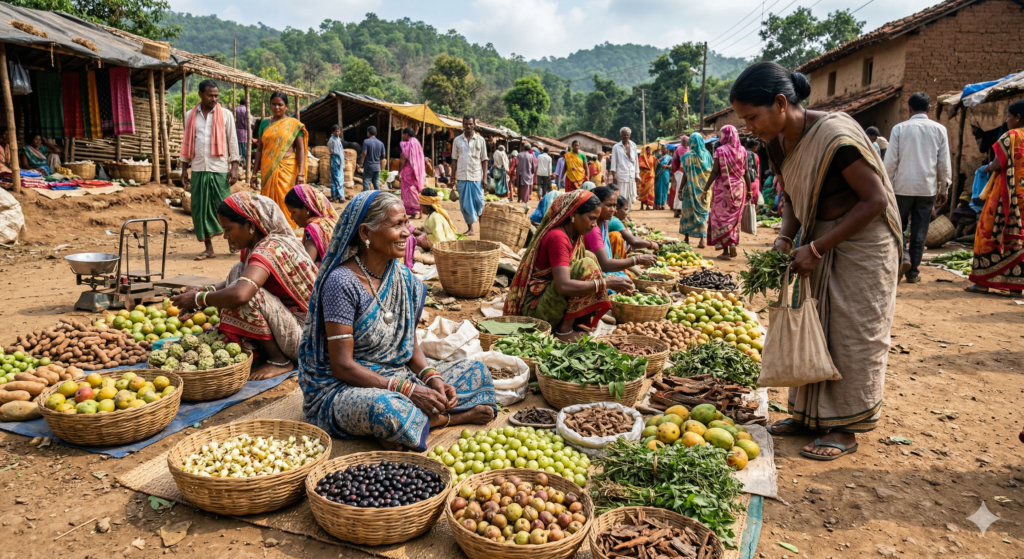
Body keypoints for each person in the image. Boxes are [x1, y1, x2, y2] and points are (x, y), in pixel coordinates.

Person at [731, 61, 902, 460]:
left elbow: (874, 200)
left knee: (851, 332)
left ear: (779, 103)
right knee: (812, 323)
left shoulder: (834, 136)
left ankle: (845, 426)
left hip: (862, 240)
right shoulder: (776, 143)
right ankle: (808, 416)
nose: (749, 128)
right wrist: (786, 237)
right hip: (816, 234)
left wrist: (819, 247)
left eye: (752, 117)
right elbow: (792, 197)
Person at [298, 191, 497, 451]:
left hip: (397, 376)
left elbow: (409, 345)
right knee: (387, 409)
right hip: (347, 387)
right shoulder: (342, 282)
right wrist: (408, 390)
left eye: (406, 223)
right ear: (366, 234)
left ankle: (412, 426)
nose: (408, 232)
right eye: (397, 224)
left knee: (476, 371)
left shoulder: (405, 279)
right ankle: (451, 418)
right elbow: (342, 366)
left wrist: (432, 378)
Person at [171, 192, 318, 380]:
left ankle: (279, 360)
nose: (225, 236)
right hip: (294, 325)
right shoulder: (259, 247)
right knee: (238, 271)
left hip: (308, 342)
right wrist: (205, 291)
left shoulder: (269, 249)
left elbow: (241, 294)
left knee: (247, 295)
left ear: (249, 225)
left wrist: (200, 299)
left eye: (228, 229)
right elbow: (235, 282)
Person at [503, 190, 632, 341]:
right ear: (572, 214)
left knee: (589, 257)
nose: (593, 225)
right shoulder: (558, 237)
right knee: (586, 265)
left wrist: (606, 282)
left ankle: (572, 322)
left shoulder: (574, 235)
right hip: (536, 312)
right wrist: (605, 283)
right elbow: (563, 286)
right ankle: (564, 330)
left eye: (596, 220)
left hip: (549, 301)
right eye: (591, 219)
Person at [884, 92, 951, 284]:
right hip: (926, 189)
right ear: (929, 109)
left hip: (901, 188)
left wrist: (885, 186)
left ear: (909, 108)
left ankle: (902, 259)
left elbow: (890, 163)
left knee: (897, 227)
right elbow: (944, 163)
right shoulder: (940, 130)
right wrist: (944, 189)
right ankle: (912, 272)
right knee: (919, 231)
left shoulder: (899, 129)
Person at [966, 100, 1024, 294]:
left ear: (1018, 118)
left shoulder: (1012, 136)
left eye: (1008, 116)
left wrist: (988, 167)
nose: (1007, 121)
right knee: (1018, 239)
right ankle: (1016, 286)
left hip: (1004, 197)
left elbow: (999, 164)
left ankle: (982, 282)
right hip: (1022, 201)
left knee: (987, 234)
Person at [179, 80, 242, 261]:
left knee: (224, 208)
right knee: (200, 210)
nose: (214, 99)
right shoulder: (189, 115)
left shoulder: (226, 115)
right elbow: (186, 143)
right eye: (210, 95)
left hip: (219, 169)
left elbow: (232, 141)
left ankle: (232, 240)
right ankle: (209, 248)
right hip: (198, 168)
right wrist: (184, 169)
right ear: (200, 94)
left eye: (216, 96)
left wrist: (234, 167)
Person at [252, 92, 307, 229]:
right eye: (274, 104)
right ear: (270, 105)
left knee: (286, 200)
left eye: (280, 105)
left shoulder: (293, 125)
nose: (277, 107)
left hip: (287, 170)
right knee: (268, 202)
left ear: (286, 106)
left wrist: (300, 173)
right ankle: (272, 231)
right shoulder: (264, 123)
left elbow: (300, 150)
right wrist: (254, 174)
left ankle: (289, 231)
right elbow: (259, 150)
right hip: (268, 170)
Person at [584, 187, 658, 278]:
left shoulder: (604, 223)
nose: (613, 209)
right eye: (608, 205)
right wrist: (637, 259)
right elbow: (604, 264)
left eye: (614, 206)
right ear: (597, 205)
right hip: (595, 271)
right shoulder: (593, 229)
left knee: (626, 279)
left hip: (603, 268)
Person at [703, 125, 749, 260]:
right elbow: (746, 171)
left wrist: (705, 189)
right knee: (734, 218)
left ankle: (725, 251)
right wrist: (750, 190)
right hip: (739, 188)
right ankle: (733, 241)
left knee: (720, 219)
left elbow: (715, 171)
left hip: (722, 189)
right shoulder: (743, 151)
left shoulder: (720, 151)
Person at [451, 115, 488, 235]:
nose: (468, 126)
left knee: (480, 202)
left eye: (470, 124)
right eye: (466, 124)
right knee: (465, 204)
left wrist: (485, 177)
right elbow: (454, 159)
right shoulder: (457, 140)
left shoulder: (480, 140)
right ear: (463, 125)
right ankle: (470, 229)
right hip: (462, 176)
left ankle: (483, 228)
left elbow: (484, 159)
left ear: (474, 125)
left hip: (476, 176)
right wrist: (452, 175)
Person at [285, 184, 339, 265]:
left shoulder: (313, 228)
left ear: (306, 207)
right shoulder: (330, 222)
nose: (292, 218)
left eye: (293, 212)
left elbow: (307, 265)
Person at [678, 132, 713, 248]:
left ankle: (686, 238)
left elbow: (685, 174)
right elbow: (712, 171)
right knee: (702, 213)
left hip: (690, 189)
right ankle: (702, 239)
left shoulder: (688, 156)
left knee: (688, 213)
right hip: (704, 190)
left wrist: (680, 189)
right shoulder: (707, 155)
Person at [398, 127, 426, 219]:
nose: (402, 136)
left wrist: (399, 172)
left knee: (408, 192)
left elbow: (402, 160)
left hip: (408, 172)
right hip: (418, 172)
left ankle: (414, 211)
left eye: (403, 134)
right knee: (416, 191)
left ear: (406, 134)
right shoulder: (417, 143)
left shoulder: (406, 144)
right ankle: (420, 211)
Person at [609, 127, 640, 209]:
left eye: (627, 135)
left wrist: (637, 174)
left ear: (629, 135)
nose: (625, 136)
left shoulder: (633, 146)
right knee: (622, 196)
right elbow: (613, 163)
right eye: (624, 135)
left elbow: (636, 161)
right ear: (620, 135)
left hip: (631, 175)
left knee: (631, 197)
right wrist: (614, 176)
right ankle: (622, 216)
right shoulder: (616, 147)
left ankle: (627, 215)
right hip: (621, 175)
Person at [358, 126, 386, 192]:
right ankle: (378, 198)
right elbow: (383, 155)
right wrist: (378, 159)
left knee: (366, 184)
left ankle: (366, 199)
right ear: (376, 133)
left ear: (368, 133)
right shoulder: (381, 143)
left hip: (368, 167)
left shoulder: (366, 141)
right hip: (377, 168)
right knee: (376, 185)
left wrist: (360, 164)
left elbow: (364, 153)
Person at [326, 124, 346, 202]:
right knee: (339, 178)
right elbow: (331, 150)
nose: (337, 133)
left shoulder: (338, 139)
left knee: (334, 179)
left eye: (338, 131)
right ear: (333, 132)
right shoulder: (332, 140)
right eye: (336, 131)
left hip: (338, 159)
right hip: (335, 160)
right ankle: (341, 197)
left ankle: (334, 196)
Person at [669, 141, 689, 218]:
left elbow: (674, 162)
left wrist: (674, 171)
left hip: (682, 172)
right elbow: (674, 162)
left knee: (680, 190)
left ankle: (679, 210)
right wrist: (674, 172)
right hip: (682, 172)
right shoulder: (681, 149)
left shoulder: (679, 150)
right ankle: (678, 210)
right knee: (681, 190)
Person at [637, 145, 656, 210]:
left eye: (649, 150)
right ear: (645, 150)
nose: (649, 151)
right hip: (644, 176)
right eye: (647, 149)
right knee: (642, 191)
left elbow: (654, 166)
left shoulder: (653, 158)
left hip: (651, 176)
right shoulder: (641, 157)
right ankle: (642, 206)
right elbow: (640, 166)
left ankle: (648, 205)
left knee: (650, 190)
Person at [654, 145, 672, 210]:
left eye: (665, 149)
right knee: (658, 189)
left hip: (665, 174)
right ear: (661, 149)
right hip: (658, 175)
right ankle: (657, 204)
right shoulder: (658, 156)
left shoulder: (670, 158)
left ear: (667, 150)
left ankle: (663, 204)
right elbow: (654, 165)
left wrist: (666, 166)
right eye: (663, 149)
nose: (664, 150)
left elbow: (672, 167)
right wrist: (657, 161)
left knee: (665, 189)